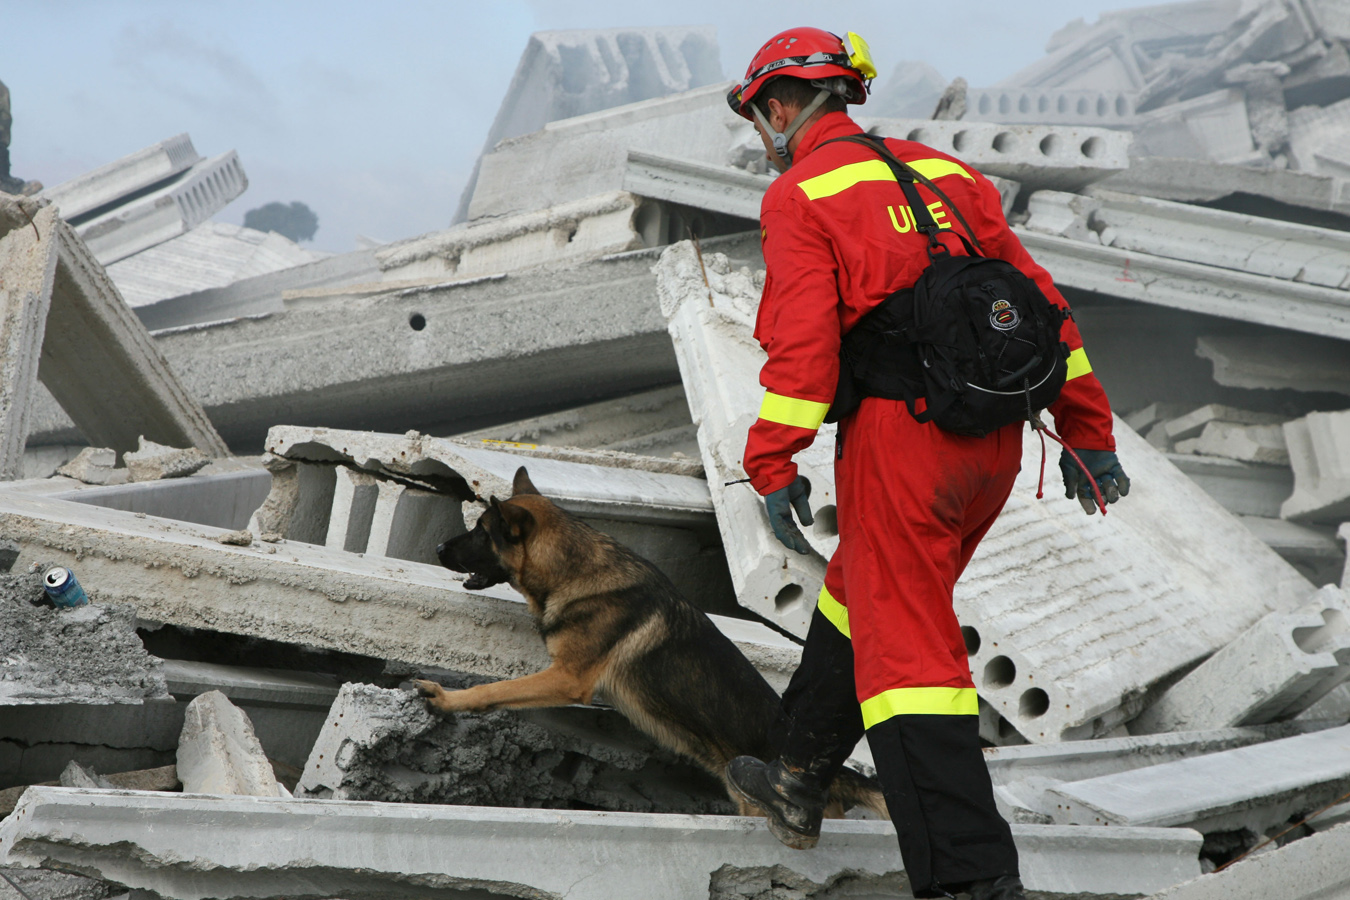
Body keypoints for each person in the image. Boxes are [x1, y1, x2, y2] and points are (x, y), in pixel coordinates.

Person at [722, 28, 1129, 900]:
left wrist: (772, 458)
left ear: (782, 106)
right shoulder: (950, 178)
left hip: (903, 448)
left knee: (912, 667)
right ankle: (797, 776)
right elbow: (1045, 312)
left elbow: (804, 351)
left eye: (762, 117)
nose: (765, 133)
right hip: (994, 448)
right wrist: (1088, 433)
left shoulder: (802, 195)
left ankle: (970, 879)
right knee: (863, 585)